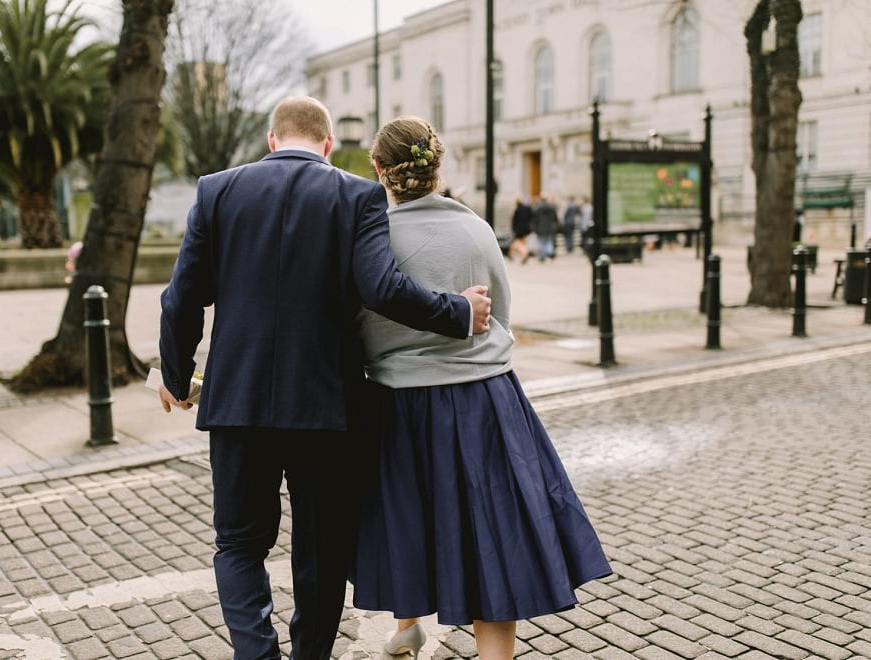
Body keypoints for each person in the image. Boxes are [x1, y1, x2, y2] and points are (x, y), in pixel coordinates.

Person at [157, 97, 492, 660]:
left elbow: (181, 298)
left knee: (239, 544)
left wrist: (175, 372)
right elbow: (382, 289)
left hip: (237, 402)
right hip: (326, 405)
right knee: (321, 548)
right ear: (329, 144)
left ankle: (256, 654)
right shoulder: (357, 195)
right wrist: (457, 312)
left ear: (271, 139)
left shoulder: (217, 190)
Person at [352, 116, 613, 659]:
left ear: (379, 171)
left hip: (399, 401)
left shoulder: (374, 238)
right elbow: (503, 315)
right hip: (483, 397)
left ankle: (407, 623)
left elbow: (358, 327)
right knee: (489, 532)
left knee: (410, 515)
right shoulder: (474, 227)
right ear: (437, 167)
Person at [531, 193, 559, 261]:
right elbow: (555, 219)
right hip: (549, 228)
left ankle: (543, 256)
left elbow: (535, 220)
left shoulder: (537, 208)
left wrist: (534, 228)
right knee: (548, 241)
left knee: (542, 242)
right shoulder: (552, 208)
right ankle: (549, 252)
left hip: (541, 228)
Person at [507, 196, 534, 263]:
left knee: (518, 243)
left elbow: (514, 221)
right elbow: (531, 218)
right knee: (519, 243)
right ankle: (511, 254)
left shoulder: (517, 210)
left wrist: (514, 229)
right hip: (526, 229)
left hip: (519, 230)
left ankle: (524, 254)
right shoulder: (527, 209)